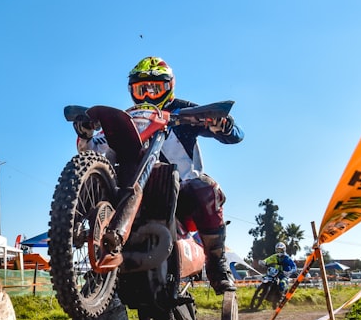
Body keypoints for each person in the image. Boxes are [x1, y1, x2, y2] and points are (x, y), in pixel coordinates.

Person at [74, 56, 244, 294]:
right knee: (94, 183)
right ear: (131, 90)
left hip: (181, 198)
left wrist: (223, 125)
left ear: (169, 87)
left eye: (155, 89)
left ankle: (217, 267)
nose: (147, 95)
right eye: (141, 89)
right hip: (128, 194)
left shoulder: (185, 112)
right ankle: (89, 261)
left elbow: (234, 134)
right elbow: (93, 152)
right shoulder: (126, 118)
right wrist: (86, 134)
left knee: (206, 187)